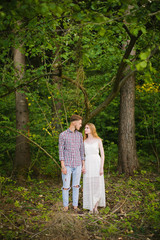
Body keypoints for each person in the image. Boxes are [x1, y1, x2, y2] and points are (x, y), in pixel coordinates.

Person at [59, 114, 85, 212]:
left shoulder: (79, 135)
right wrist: (63, 166)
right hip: (67, 165)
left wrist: (83, 165)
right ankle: (65, 207)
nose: (80, 125)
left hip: (78, 164)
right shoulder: (63, 135)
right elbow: (61, 151)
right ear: (74, 122)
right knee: (66, 187)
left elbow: (81, 151)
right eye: (80, 123)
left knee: (76, 186)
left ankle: (75, 206)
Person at [83, 123, 106, 214]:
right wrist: (83, 166)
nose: (85, 129)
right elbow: (82, 155)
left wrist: (101, 167)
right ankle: (90, 206)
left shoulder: (98, 140)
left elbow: (102, 155)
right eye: (85, 128)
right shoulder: (84, 142)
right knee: (89, 185)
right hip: (88, 163)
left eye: (87, 128)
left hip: (96, 163)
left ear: (92, 129)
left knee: (97, 185)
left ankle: (95, 207)